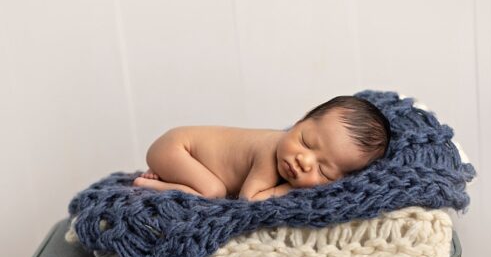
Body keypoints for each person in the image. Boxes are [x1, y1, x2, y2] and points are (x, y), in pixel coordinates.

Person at [133, 96, 389, 200]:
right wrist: (288, 188)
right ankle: (155, 184)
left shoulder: (289, 152)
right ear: (300, 121)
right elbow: (250, 199)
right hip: (177, 147)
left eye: (324, 171)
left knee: (212, 185)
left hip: (182, 155)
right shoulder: (270, 150)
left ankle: (168, 173)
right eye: (306, 142)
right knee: (213, 191)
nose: (304, 161)